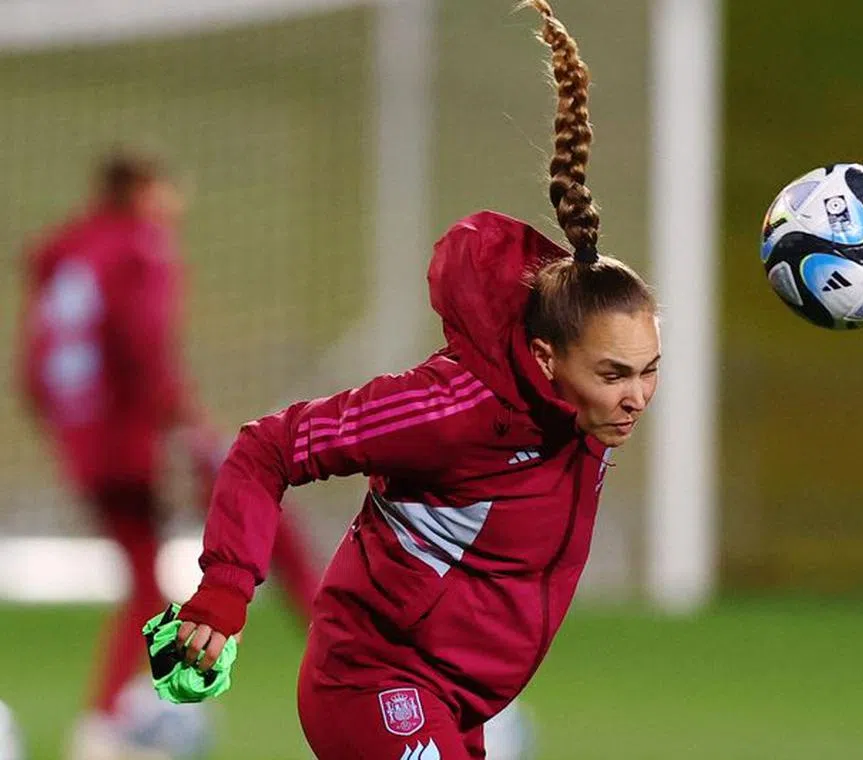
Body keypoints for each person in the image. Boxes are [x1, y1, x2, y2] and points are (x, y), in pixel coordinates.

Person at [171, 1, 661, 758]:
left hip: (459, 702)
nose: (636, 396)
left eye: (649, 371)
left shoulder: (582, 413)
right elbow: (270, 447)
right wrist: (225, 591)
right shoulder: (451, 407)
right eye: (613, 373)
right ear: (542, 361)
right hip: (374, 681)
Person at [14, 147, 324, 759]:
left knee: (142, 578)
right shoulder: (141, 247)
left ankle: (103, 726)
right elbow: (142, 341)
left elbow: (31, 375)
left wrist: (76, 436)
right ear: (143, 191)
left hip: (86, 442)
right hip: (140, 434)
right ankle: (360, 664)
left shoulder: (70, 254)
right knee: (268, 518)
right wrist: (178, 429)